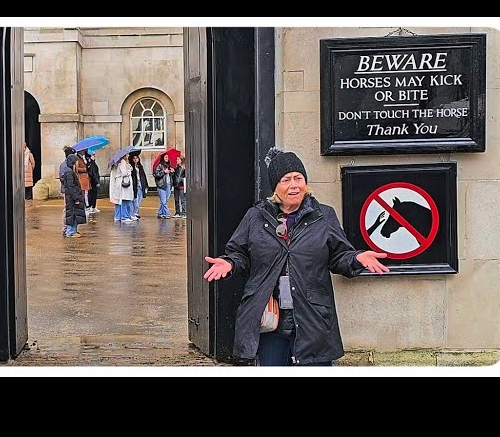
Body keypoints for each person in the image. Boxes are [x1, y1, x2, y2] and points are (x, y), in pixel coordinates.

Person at [203, 147, 389, 366]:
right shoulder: (256, 216)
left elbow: (340, 256)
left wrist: (356, 259)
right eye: (286, 180)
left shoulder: (323, 215)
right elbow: (240, 254)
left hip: (313, 318)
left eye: (298, 178)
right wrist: (230, 263)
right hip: (271, 318)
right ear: (275, 187)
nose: (294, 185)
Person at [60, 154, 87, 237]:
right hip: (72, 198)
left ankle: (73, 230)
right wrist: (76, 198)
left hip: (73, 197)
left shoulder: (71, 172)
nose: (77, 164)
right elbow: (71, 187)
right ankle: (70, 232)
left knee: (75, 214)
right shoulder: (69, 172)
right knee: (72, 214)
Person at [59, 146, 77, 235]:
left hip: (70, 190)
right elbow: (62, 178)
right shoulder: (64, 165)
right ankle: (66, 227)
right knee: (67, 209)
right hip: (66, 190)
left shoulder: (70, 165)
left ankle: (70, 227)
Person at [153, 153, 173, 219]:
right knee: (164, 201)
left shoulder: (169, 166)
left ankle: (160, 213)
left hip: (168, 185)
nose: (167, 158)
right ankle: (167, 213)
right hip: (161, 185)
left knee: (164, 201)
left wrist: (172, 172)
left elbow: (170, 176)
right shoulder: (159, 166)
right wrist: (163, 172)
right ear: (163, 158)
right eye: (166, 157)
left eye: (167, 157)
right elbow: (156, 174)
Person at [130, 153, 149, 219]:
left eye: (136, 158)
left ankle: (136, 212)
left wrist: (146, 185)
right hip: (135, 185)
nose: (135, 160)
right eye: (134, 158)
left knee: (139, 200)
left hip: (141, 185)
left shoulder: (140, 167)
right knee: (135, 200)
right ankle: (134, 212)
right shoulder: (131, 167)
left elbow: (143, 176)